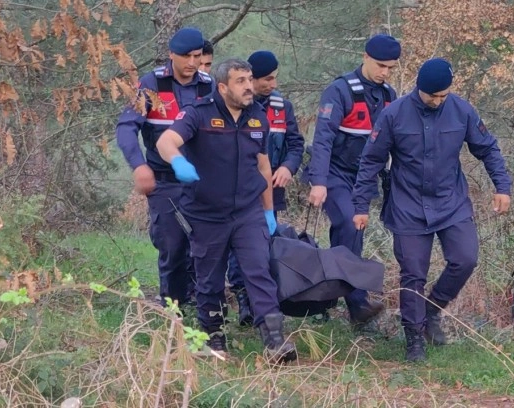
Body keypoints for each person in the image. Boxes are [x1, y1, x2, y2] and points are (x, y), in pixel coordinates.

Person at [351, 58, 512, 361]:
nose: (438, 101)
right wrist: (361, 206)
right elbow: (370, 161)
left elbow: (487, 148)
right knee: (413, 273)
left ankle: (432, 308)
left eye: (443, 95)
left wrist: (502, 186)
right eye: (432, 96)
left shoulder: (461, 110)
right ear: (419, 89)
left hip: (451, 202)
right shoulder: (393, 115)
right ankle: (414, 339)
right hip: (407, 205)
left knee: (465, 258)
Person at [155, 58, 297, 362]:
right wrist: (178, 161)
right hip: (206, 213)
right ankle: (213, 341)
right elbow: (167, 140)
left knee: (259, 270)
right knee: (210, 279)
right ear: (222, 87)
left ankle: (274, 342)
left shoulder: (258, 116)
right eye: (240, 81)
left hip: (247, 212)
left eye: (249, 79)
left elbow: (262, 164)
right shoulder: (198, 113)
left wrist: (269, 212)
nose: (248, 86)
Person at [303, 34, 401, 324]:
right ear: (365, 57)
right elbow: (322, 139)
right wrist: (318, 181)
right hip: (334, 174)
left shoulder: (389, 96)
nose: (385, 72)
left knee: (349, 235)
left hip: (364, 177)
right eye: (381, 65)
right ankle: (357, 304)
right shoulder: (340, 90)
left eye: (391, 68)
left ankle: (325, 300)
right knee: (349, 223)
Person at [115, 27, 214, 310]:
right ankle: (173, 310)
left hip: (202, 181)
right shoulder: (151, 85)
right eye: (186, 56)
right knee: (172, 246)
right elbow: (126, 128)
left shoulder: (209, 86)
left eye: (197, 56)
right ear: (171, 55)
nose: (192, 63)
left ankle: (207, 308)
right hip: (165, 181)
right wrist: (139, 166)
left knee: (207, 246)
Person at [226, 50, 305, 326]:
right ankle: (243, 298)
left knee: (262, 245)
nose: (272, 84)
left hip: (272, 192)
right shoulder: (233, 105)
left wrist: (287, 167)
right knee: (238, 247)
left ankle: (266, 301)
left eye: (275, 78)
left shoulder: (283, 107)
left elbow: (296, 144)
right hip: (238, 193)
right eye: (267, 79)